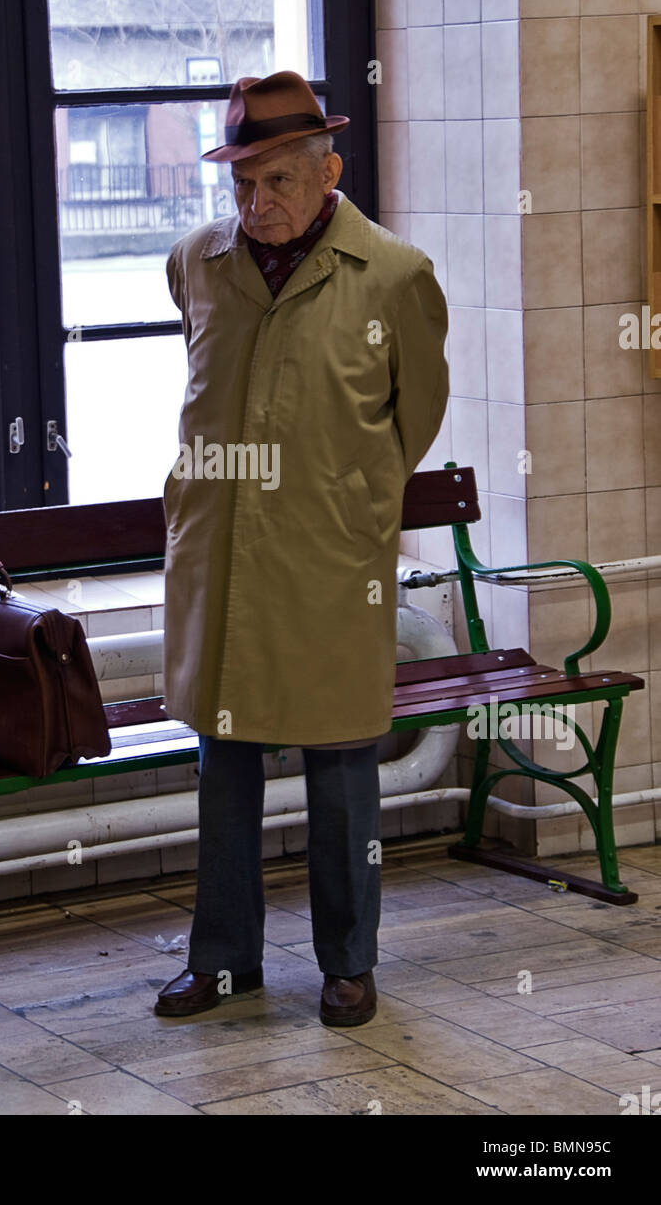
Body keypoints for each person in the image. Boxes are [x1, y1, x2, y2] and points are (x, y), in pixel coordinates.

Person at [155, 70, 449, 1027]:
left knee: (341, 771)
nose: (258, 205)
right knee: (224, 768)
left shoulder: (395, 276)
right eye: (241, 184)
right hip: (223, 554)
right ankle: (225, 962)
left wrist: (346, 496)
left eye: (278, 181)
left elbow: (417, 418)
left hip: (329, 562)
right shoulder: (197, 262)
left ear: (329, 170)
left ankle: (350, 963)